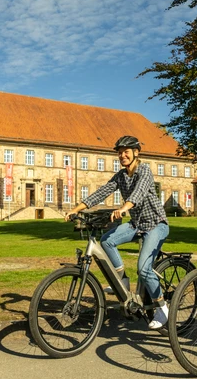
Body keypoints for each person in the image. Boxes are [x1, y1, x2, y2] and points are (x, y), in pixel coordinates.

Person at [65, 135, 170, 329]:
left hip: (156, 224)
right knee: (106, 241)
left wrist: (123, 208)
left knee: (144, 269)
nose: (122, 155)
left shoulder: (144, 171)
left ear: (136, 153)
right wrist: (76, 208)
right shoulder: (121, 176)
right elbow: (102, 192)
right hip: (137, 224)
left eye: (126, 152)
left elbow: (138, 192)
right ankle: (122, 282)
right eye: (120, 153)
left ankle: (162, 307)